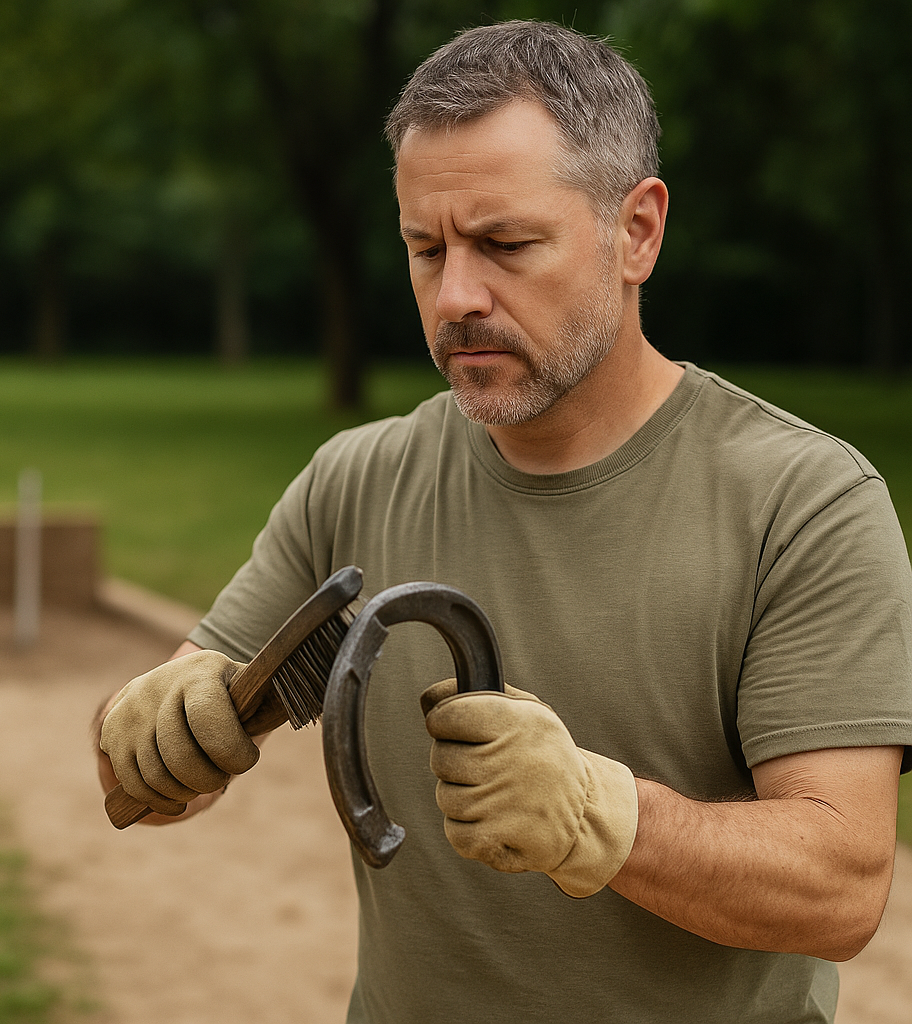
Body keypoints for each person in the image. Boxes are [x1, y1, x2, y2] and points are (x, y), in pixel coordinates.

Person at [95, 20, 912, 1023]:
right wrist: (149, 725)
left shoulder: (803, 503)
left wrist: (601, 818)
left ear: (638, 231)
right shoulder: (355, 478)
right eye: (423, 248)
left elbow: (840, 887)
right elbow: (153, 774)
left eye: (505, 243)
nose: (455, 296)